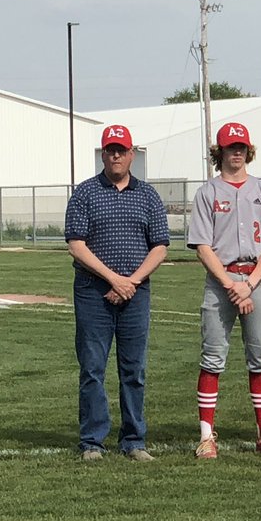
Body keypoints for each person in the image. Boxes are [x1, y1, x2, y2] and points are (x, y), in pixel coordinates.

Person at [187, 122, 261, 457]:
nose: (237, 151)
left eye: (241, 146)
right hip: (221, 283)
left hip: (256, 281)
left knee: (260, 358)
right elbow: (203, 246)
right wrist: (231, 284)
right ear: (218, 152)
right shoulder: (208, 192)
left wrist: (248, 284)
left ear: (249, 150)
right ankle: (206, 436)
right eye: (230, 146)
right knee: (212, 358)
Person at [64, 125, 170, 462]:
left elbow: (160, 247)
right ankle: (92, 441)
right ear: (103, 153)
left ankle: (134, 440)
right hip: (93, 290)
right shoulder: (85, 193)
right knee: (93, 368)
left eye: (121, 150)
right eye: (110, 149)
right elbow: (76, 245)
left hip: (135, 294)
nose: (116, 156)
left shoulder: (148, 195)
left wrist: (131, 282)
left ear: (131, 154)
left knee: (133, 369)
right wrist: (113, 279)